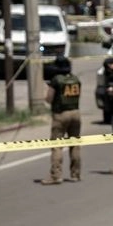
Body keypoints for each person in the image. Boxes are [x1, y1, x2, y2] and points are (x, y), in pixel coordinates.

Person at [40, 55, 82, 185]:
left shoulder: (56, 80)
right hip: (76, 113)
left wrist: (45, 91)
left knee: (57, 146)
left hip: (60, 114)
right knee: (74, 144)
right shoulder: (76, 79)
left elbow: (49, 99)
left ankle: (56, 175)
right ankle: (76, 174)